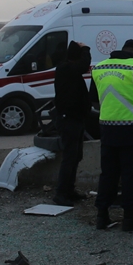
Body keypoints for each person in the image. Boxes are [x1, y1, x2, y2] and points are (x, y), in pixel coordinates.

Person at [90, 39, 133, 231]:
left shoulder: (99, 67)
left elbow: (93, 98)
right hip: (132, 129)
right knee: (130, 174)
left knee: (108, 174)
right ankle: (129, 217)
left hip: (108, 129)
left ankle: (102, 216)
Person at [51, 41, 92, 207]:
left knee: (75, 156)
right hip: (68, 119)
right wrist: (86, 49)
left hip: (75, 118)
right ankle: (61, 193)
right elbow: (83, 65)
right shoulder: (65, 69)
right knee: (69, 157)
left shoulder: (69, 71)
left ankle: (69, 190)